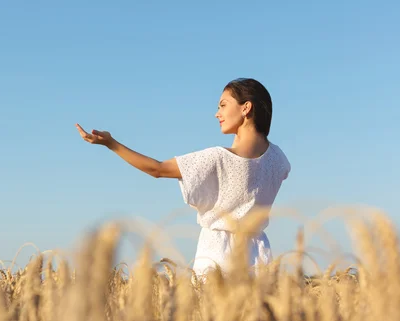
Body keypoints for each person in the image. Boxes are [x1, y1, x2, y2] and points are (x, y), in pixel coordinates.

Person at [75, 78, 290, 278]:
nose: (217, 113)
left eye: (223, 105)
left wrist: (112, 144)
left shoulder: (218, 158)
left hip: (218, 255)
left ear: (246, 107)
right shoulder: (279, 159)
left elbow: (157, 169)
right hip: (259, 256)